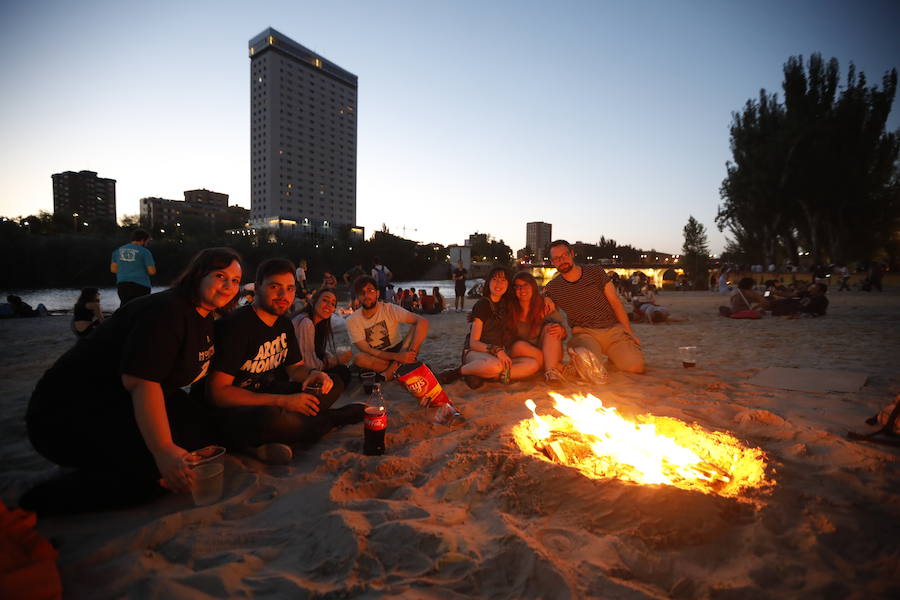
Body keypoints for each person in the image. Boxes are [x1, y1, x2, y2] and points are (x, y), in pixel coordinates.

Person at [22, 248, 243, 515]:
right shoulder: (166, 311)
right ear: (197, 275)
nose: (228, 285)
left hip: (120, 404)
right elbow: (142, 382)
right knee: (156, 476)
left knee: (203, 437)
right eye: (220, 275)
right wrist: (164, 451)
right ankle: (40, 498)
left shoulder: (203, 315)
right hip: (67, 417)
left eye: (235, 280)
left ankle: (118, 461)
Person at [202, 259, 361, 465]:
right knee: (273, 419)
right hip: (237, 409)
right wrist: (283, 401)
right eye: (275, 287)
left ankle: (269, 441)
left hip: (269, 392)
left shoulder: (284, 324)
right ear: (257, 288)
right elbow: (218, 393)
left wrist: (313, 374)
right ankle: (334, 418)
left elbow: (295, 369)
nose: (283, 296)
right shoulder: (236, 326)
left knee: (333, 382)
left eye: (290, 289)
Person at [542, 240, 645, 382]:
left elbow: (615, 303)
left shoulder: (595, 272)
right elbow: (546, 304)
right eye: (556, 258)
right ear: (552, 262)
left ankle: (614, 357)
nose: (561, 260)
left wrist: (629, 332)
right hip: (585, 333)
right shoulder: (554, 287)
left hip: (612, 330)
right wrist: (546, 296)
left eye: (564, 255)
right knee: (592, 369)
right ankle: (578, 355)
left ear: (572, 254)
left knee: (636, 367)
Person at [441, 267, 541, 388]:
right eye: (495, 279)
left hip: (497, 355)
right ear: (489, 282)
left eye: (503, 280)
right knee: (496, 366)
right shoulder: (483, 304)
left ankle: (487, 375)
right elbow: (473, 343)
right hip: (476, 352)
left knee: (532, 364)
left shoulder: (507, 303)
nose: (498, 284)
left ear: (508, 283)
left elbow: (529, 296)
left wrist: (547, 299)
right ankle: (458, 372)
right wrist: (497, 350)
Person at [346, 275, 429, 381]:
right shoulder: (352, 320)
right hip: (376, 356)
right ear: (357, 297)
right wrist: (397, 358)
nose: (366, 295)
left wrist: (409, 354)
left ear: (377, 293)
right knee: (359, 358)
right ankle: (400, 368)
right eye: (362, 292)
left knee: (417, 325)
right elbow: (366, 349)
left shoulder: (389, 309)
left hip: (399, 350)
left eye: (370, 290)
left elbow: (423, 321)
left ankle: (392, 371)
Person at [292, 288, 353, 387]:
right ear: (313, 302)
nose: (329, 305)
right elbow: (309, 365)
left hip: (310, 370)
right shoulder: (305, 322)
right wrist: (336, 360)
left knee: (343, 372)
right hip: (297, 376)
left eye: (333, 304)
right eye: (325, 300)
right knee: (339, 378)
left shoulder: (318, 325)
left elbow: (317, 352)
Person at [111, 229, 156, 306]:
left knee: (125, 308)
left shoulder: (118, 251)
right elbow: (152, 271)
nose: (147, 243)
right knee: (140, 309)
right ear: (142, 240)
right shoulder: (145, 252)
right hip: (141, 286)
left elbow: (113, 269)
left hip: (122, 285)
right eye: (147, 241)